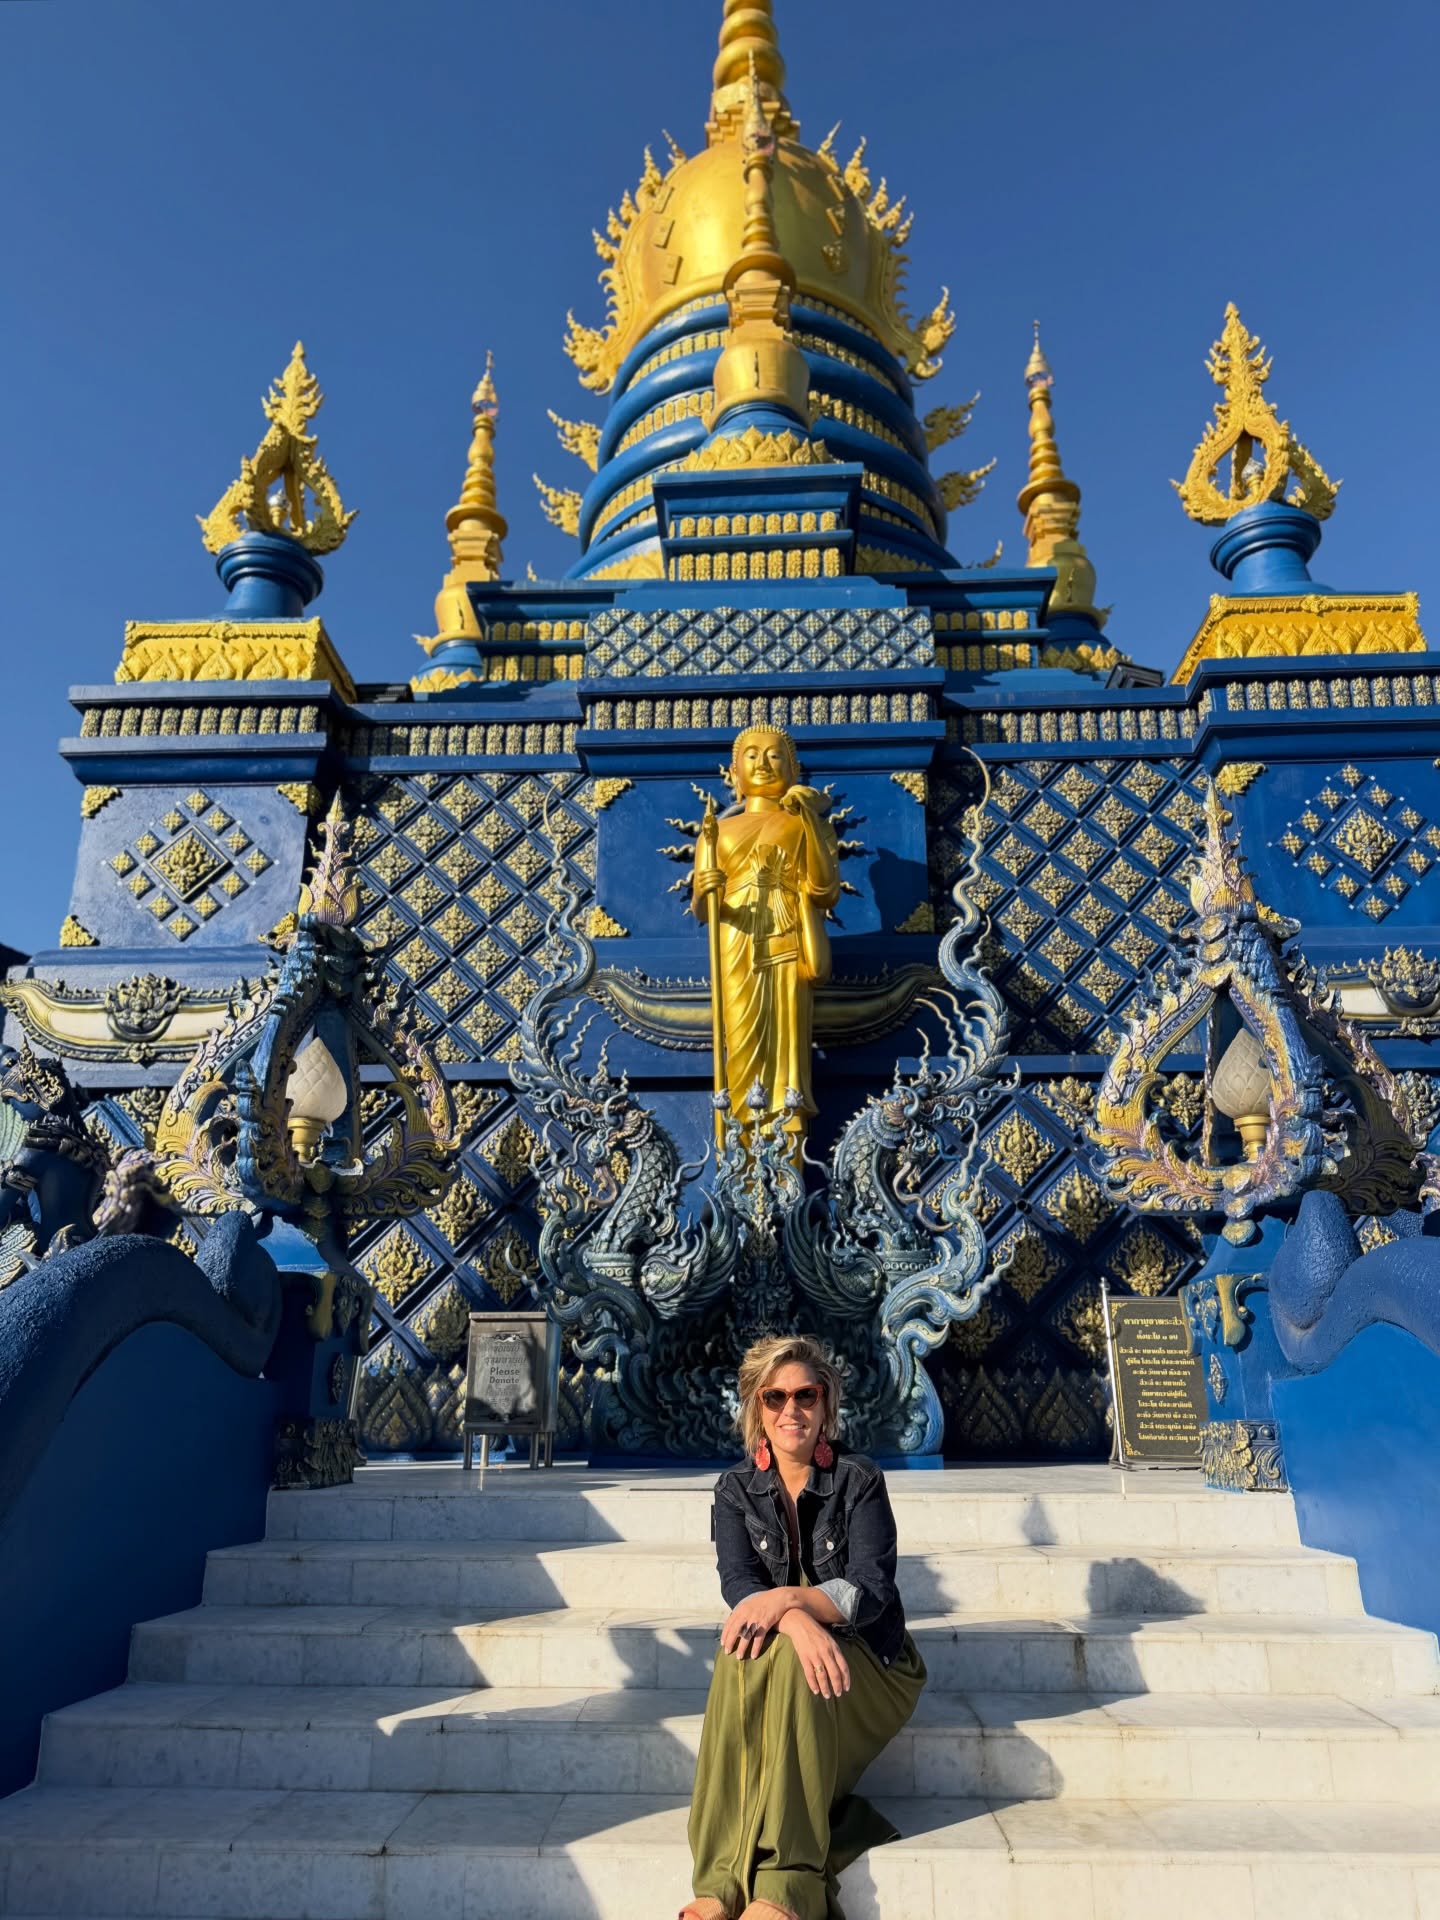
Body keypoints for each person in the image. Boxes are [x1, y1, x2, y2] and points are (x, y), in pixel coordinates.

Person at [682, 1334, 926, 1920]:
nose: (791, 1410)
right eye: (774, 1398)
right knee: (738, 1651)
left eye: (805, 1395)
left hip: (872, 1664)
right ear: (755, 1410)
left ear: (826, 1406)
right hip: (795, 1657)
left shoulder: (859, 1481)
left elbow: (871, 1588)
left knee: (781, 1653)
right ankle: (718, 1887)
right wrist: (793, 1619)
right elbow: (739, 1585)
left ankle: (786, 1886)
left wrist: (789, 1600)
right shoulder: (734, 1490)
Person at [691, 726, 840, 1146]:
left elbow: (825, 889)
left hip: (785, 936)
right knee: (739, 1041)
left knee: (786, 1044)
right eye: (751, 756)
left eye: (775, 756)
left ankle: (785, 1135)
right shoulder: (716, 832)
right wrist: (705, 891)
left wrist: (809, 818)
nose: (762, 762)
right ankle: (737, 1138)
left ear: (792, 770)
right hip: (735, 940)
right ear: (734, 775)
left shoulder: (801, 823)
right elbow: (703, 910)